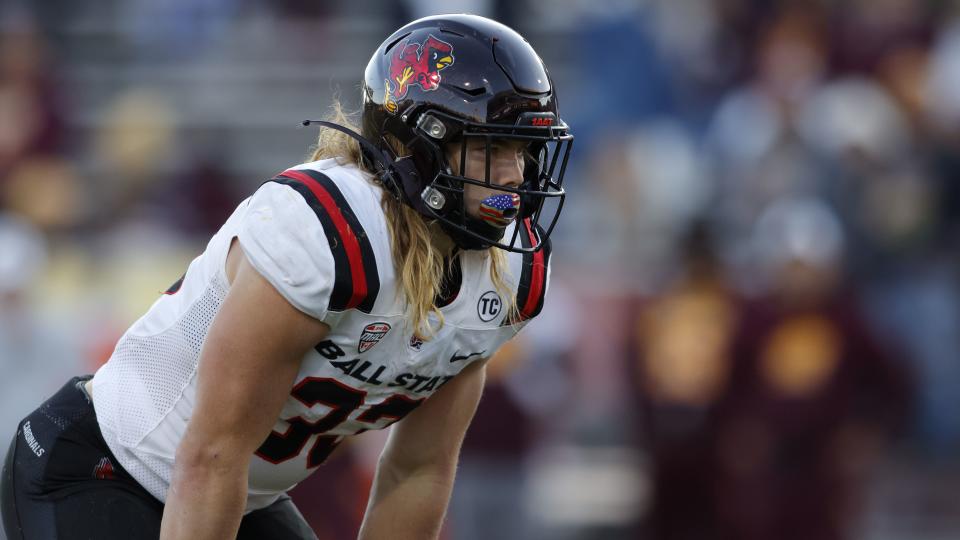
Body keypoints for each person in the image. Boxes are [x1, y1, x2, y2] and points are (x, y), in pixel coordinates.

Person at [1, 13, 572, 540]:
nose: (514, 178)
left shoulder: (508, 276)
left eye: (525, 153)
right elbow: (211, 453)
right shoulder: (332, 235)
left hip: (239, 495)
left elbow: (418, 470)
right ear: (421, 145)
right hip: (107, 466)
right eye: (492, 149)